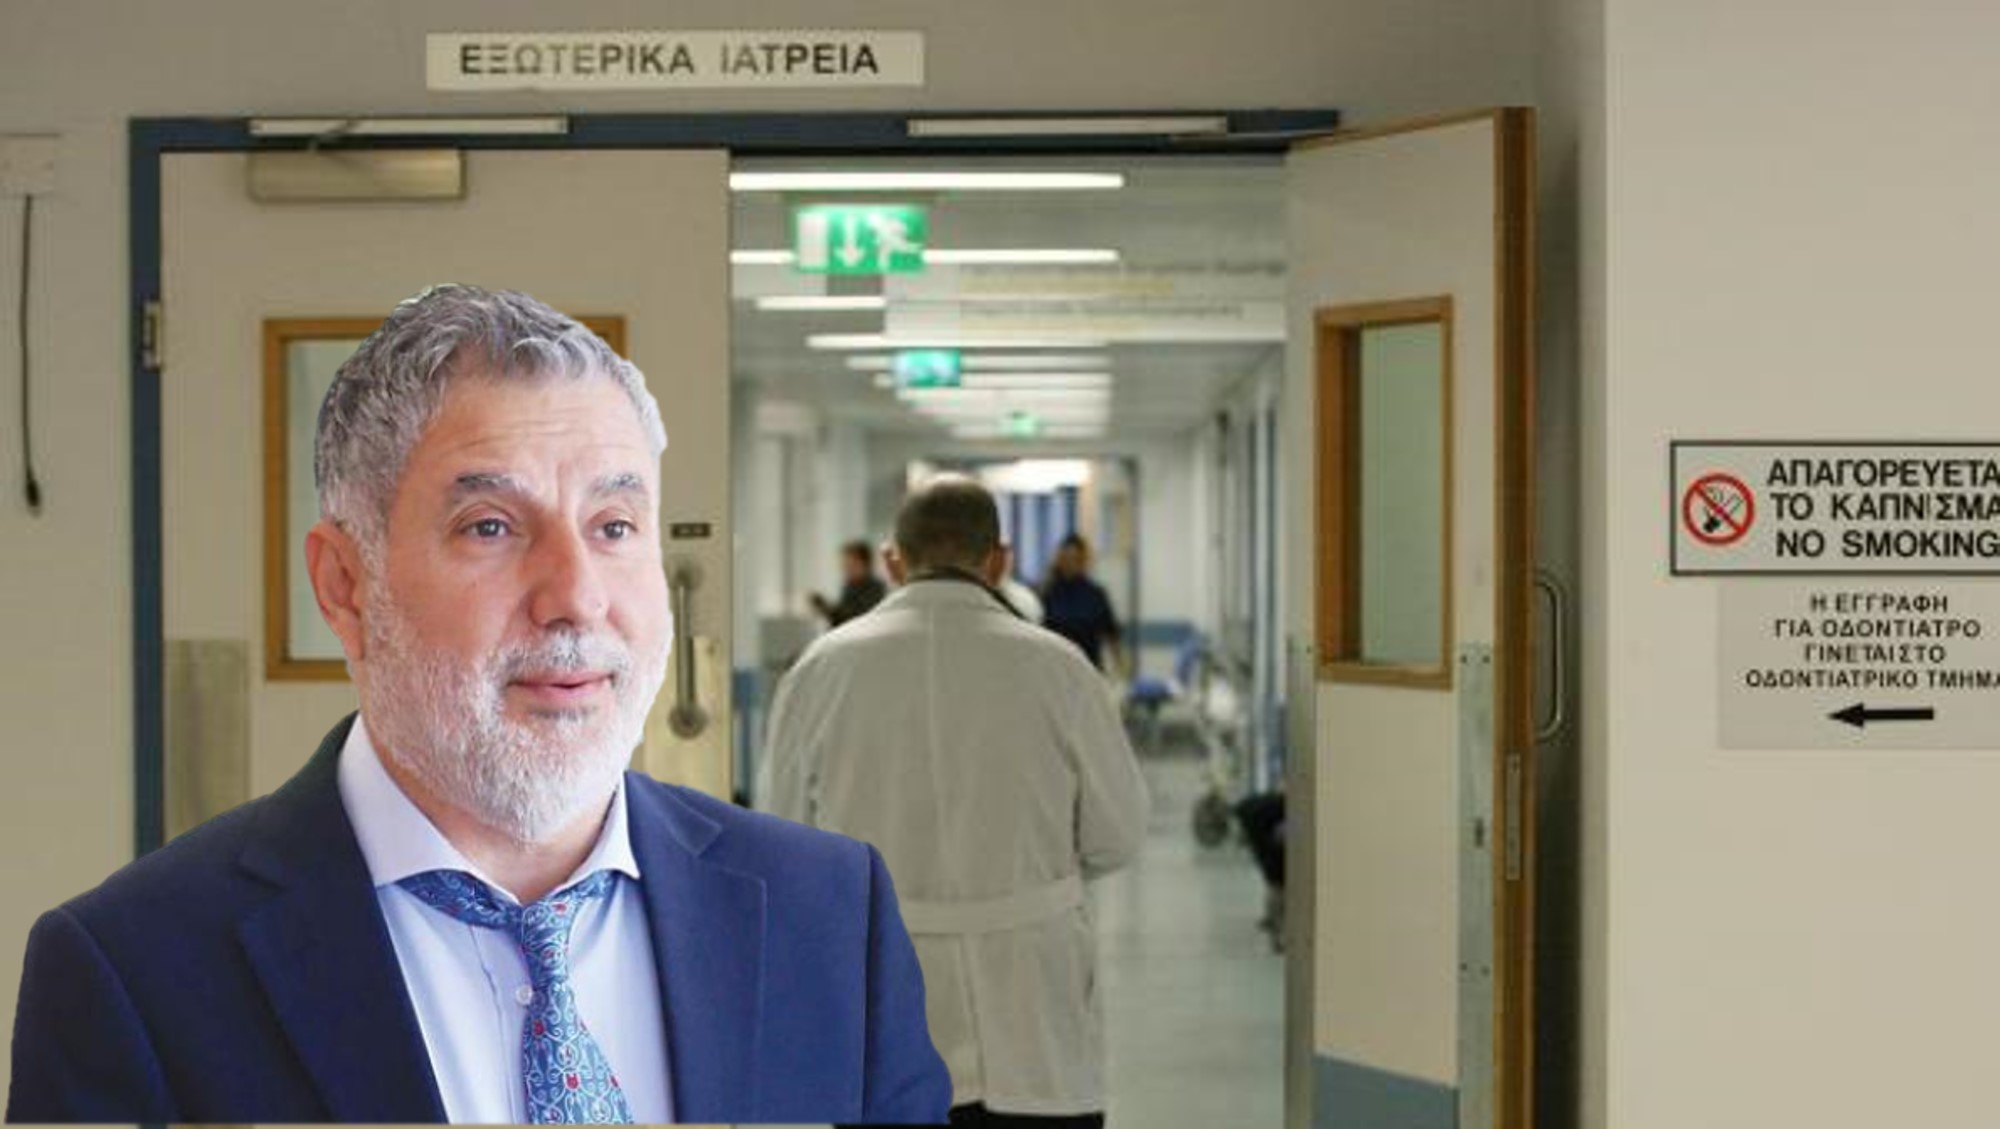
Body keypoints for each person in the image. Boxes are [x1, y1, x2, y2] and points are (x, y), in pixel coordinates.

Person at [6, 286, 949, 1125]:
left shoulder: (831, 918)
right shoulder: (135, 971)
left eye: (615, 525)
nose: (576, 596)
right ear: (344, 585)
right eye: (490, 527)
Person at [759, 476, 1149, 1129]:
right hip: (1033, 1006)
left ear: (893, 561)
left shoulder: (821, 670)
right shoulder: (1061, 668)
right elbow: (1119, 833)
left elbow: (786, 845)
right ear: (1000, 560)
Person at [1039, 533, 1123, 673]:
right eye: (1066, 558)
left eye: (1075, 559)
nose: (1070, 564)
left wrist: (1120, 671)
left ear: (1083, 561)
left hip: (1089, 669)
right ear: (1059, 559)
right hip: (1056, 669)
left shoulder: (1096, 594)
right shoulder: (1048, 593)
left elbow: (1112, 635)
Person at [809, 539, 889, 627]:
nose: (846, 569)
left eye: (850, 564)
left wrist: (830, 610)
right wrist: (824, 607)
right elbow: (840, 619)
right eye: (845, 564)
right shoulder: (849, 587)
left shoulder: (875, 588)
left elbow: (857, 618)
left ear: (865, 563)